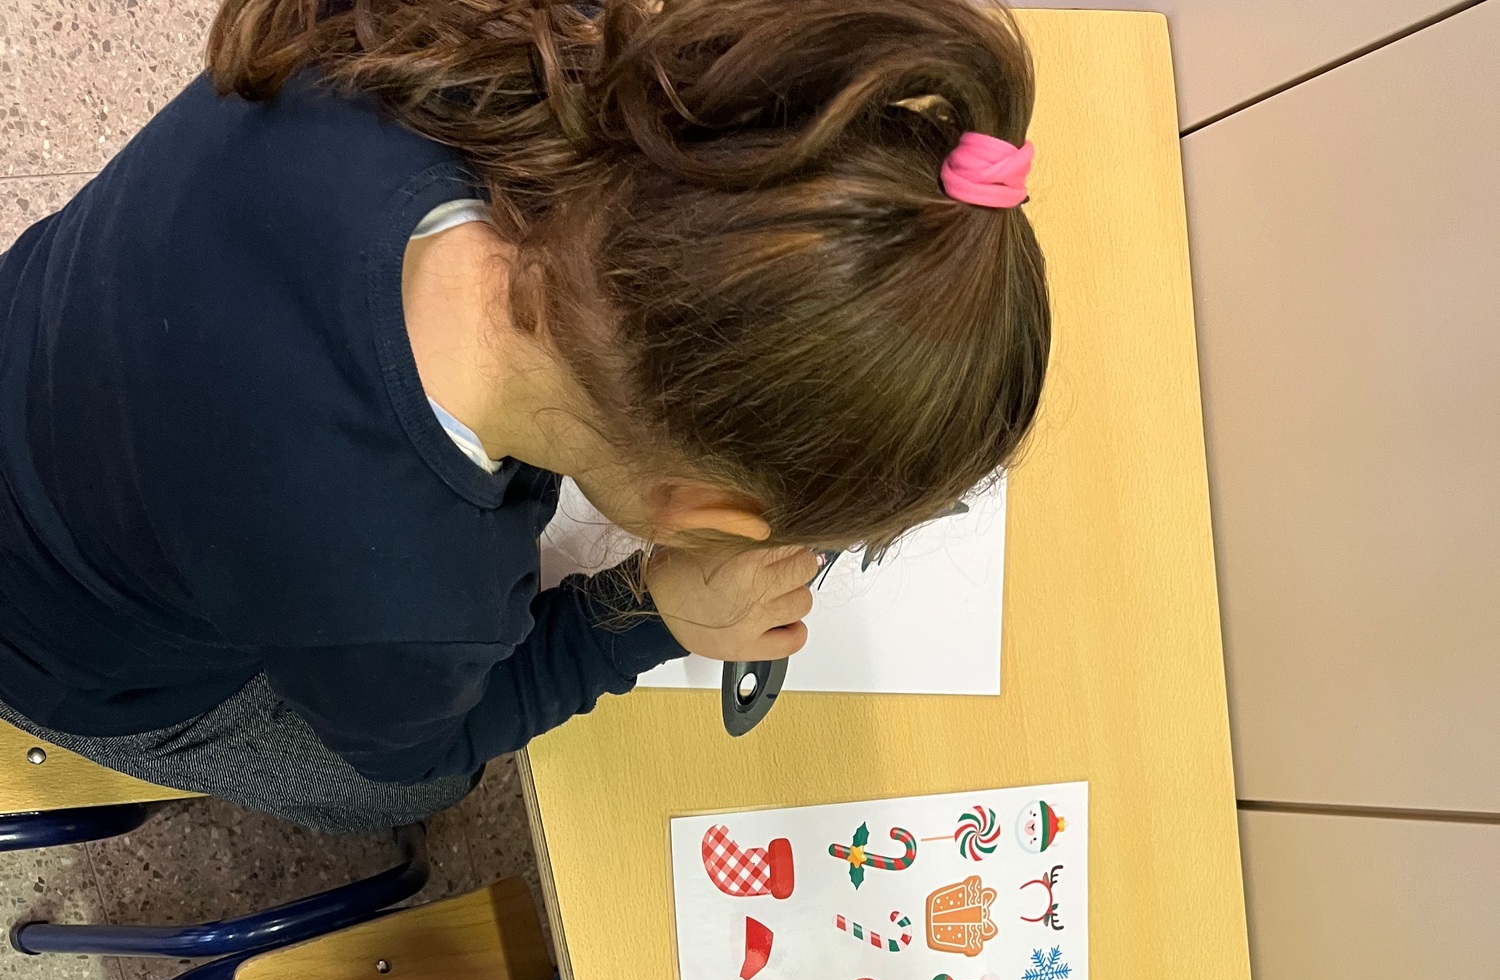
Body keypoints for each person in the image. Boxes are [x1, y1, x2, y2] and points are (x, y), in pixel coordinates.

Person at [0, 0, 1051, 835]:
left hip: (39, 335)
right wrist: (650, 612)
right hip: (59, 647)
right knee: (402, 798)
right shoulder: (405, 600)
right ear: (698, 514)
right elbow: (419, 748)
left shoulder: (485, 40)